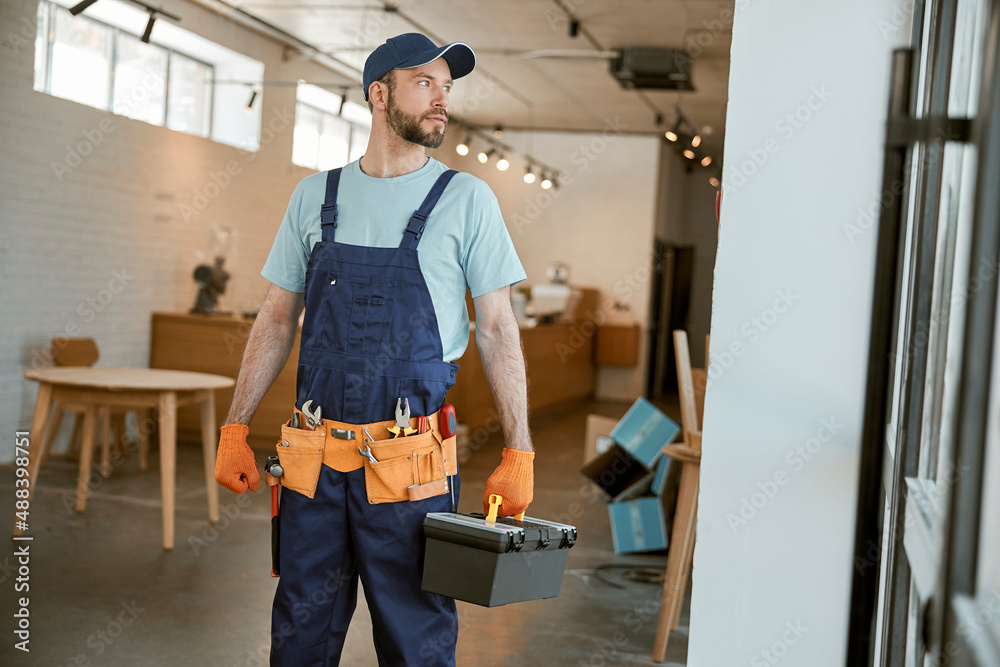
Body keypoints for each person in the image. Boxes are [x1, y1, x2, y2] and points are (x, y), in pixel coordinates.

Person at [213, 32, 534, 666]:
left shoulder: (466, 199)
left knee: (416, 642)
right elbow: (277, 320)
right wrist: (235, 424)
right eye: (425, 83)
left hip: (410, 468)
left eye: (447, 87)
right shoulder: (315, 197)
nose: (442, 100)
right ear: (378, 93)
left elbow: (497, 328)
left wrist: (518, 447)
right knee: (298, 639)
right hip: (312, 464)